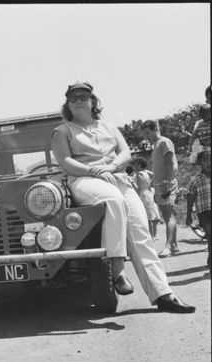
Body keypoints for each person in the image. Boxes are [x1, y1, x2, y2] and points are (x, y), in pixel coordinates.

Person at [51, 81, 195, 313]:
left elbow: (125, 152)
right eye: (73, 97)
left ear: (93, 101)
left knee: (140, 232)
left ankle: (163, 294)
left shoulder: (108, 126)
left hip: (116, 178)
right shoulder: (63, 131)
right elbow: (65, 162)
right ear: (67, 103)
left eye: (83, 96)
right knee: (113, 201)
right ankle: (117, 271)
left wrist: (111, 167)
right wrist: (94, 170)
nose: (78, 100)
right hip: (84, 180)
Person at [140, 120, 179, 258]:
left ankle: (168, 247)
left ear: (155, 129)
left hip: (166, 184)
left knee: (168, 216)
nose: (146, 136)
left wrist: (167, 182)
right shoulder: (156, 145)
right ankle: (173, 244)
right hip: (159, 185)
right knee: (168, 214)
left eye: (148, 133)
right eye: (144, 134)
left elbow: (172, 164)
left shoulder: (164, 142)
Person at [186, 150, 211, 267]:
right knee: (210, 234)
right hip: (204, 212)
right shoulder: (195, 179)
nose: (209, 163)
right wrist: (188, 214)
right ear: (200, 163)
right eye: (205, 160)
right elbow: (190, 198)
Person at [132, 157, 161, 240]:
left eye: (135, 164)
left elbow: (139, 188)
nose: (134, 166)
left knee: (148, 217)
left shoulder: (138, 175)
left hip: (143, 195)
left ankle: (151, 236)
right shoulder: (146, 173)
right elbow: (155, 176)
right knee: (153, 215)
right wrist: (150, 183)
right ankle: (155, 235)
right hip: (150, 193)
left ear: (139, 165)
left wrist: (136, 196)